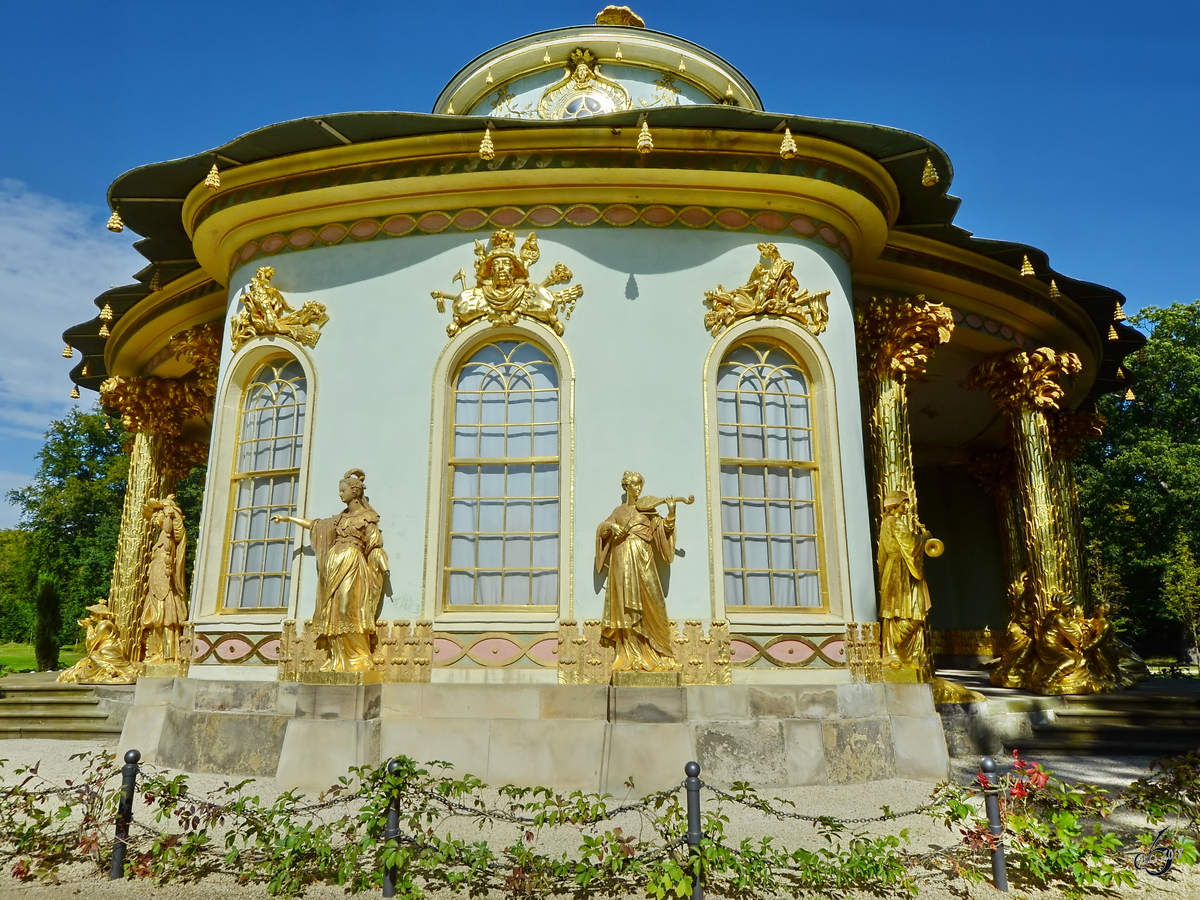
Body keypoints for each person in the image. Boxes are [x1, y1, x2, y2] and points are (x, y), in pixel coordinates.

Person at [273, 469, 388, 672]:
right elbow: (314, 525)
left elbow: (374, 544)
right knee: (332, 610)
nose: (340, 494)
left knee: (347, 608)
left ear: (355, 492)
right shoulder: (339, 519)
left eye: (343, 490)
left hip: (352, 563)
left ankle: (358, 657)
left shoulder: (367, 518)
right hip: (333, 564)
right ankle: (337, 659)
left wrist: (379, 559)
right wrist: (288, 519)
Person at [595, 472, 682, 672]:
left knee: (653, 601)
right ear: (626, 487)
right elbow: (602, 530)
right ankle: (629, 654)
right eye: (634, 485)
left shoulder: (648, 510)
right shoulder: (618, 511)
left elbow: (662, 530)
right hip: (622, 559)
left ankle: (658, 652)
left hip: (644, 559)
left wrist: (671, 513)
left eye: (640, 485)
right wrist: (611, 526)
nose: (638, 489)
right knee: (626, 606)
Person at [877, 489, 939, 676]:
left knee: (904, 611)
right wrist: (925, 538)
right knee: (907, 611)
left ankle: (901, 653)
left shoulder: (888, 523)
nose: (907, 506)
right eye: (904, 502)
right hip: (901, 569)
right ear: (896, 504)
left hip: (896, 568)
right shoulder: (895, 522)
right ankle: (894, 650)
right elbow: (910, 545)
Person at [140, 495, 188, 663]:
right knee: (156, 616)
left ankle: (168, 654)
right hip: (156, 579)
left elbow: (179, 534)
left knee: (167, 616)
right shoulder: (161, 536)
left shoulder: (169, 534)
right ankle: (156, 652)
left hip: (165, 581)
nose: (154, 518)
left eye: (156, 515)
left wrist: (172, 513)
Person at [58, 601, 135, 684]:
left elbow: (92, 641)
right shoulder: (101, 624)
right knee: (88, 661)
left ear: (100, 615)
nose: (91, 616)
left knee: (95, 654)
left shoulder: (105, 625)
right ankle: (109, 669)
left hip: (110, 648)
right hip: (105, 648)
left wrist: (89, 627)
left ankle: (110, 669)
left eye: (93, 614)